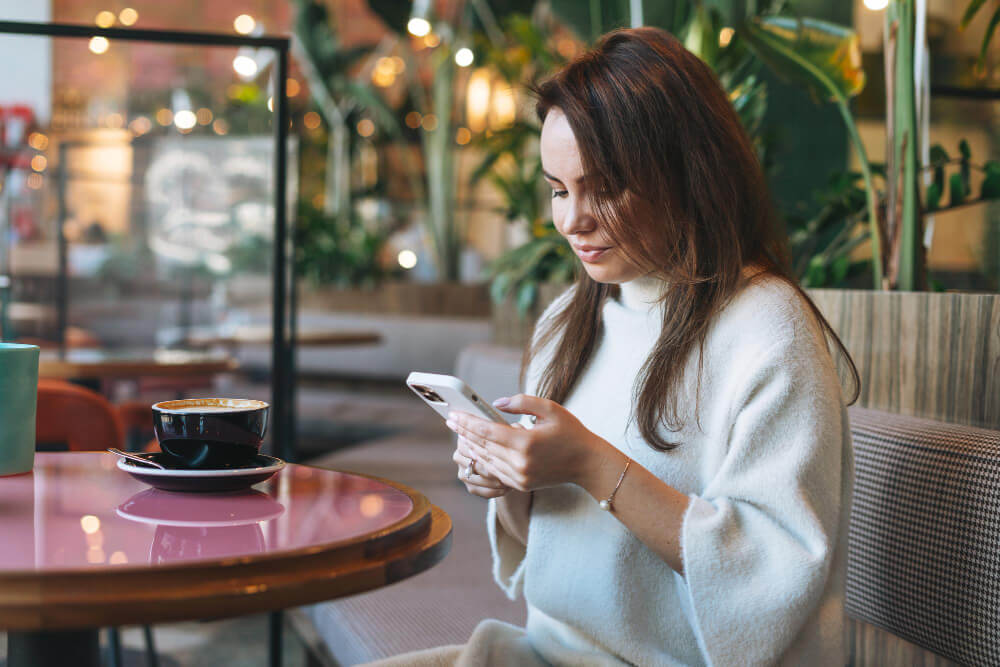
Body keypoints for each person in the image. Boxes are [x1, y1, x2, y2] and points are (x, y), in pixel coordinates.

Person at [370, 27, 857, 667]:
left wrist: (590, 464)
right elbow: (546, 548)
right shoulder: (570, 321)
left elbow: (770, 577)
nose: (572, 221)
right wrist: (509, 477)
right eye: (558, 190)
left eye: (604, 188)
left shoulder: (766, 329)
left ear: (687, 173)